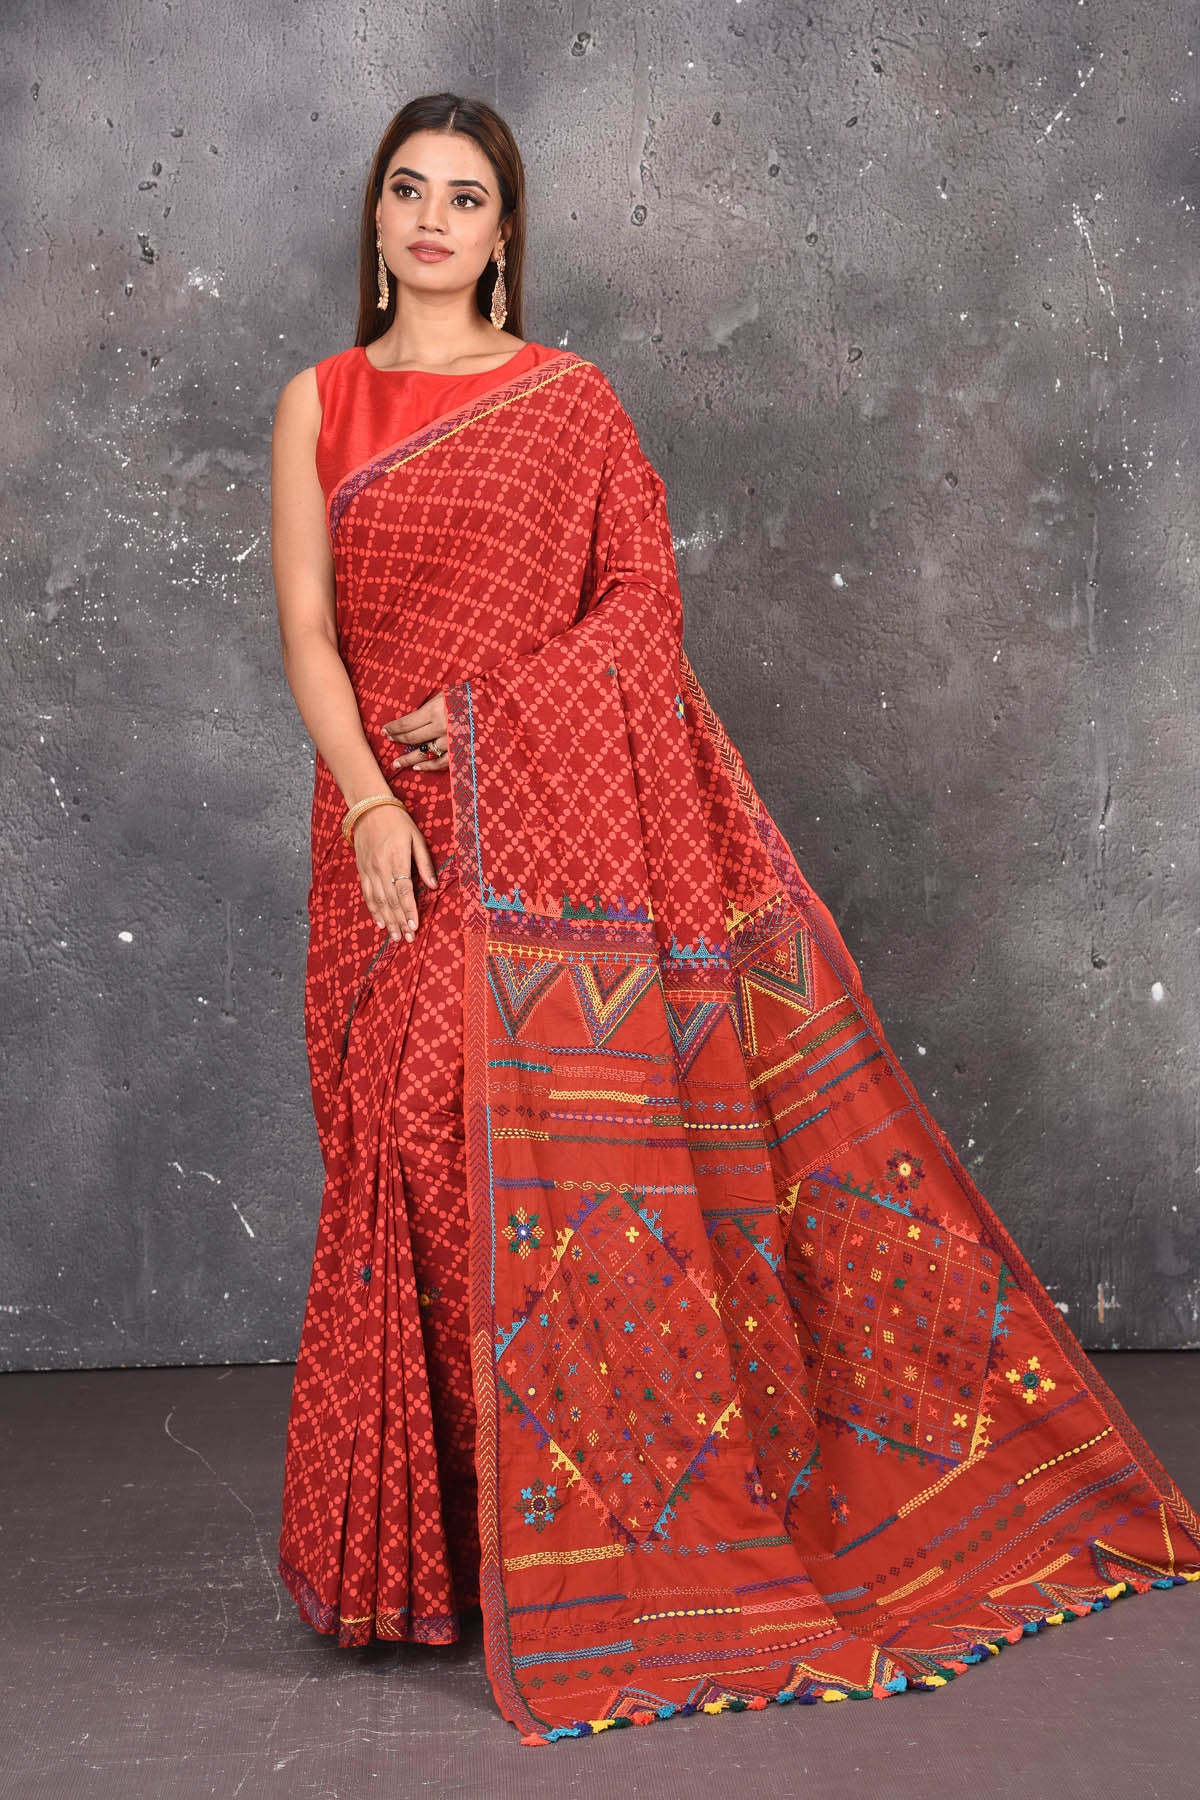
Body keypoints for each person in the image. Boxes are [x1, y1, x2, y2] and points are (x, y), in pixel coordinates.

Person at [270, 92, 1200, 1748]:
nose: (430, 219)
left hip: (542, 834)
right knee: (396, 1146)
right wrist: (369, 802)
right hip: (381, 833)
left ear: (503, 232)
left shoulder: (568, 402)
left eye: (465, 197)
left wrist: (486, 729)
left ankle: (567, 1534)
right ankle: (449, 1549)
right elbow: (308, 634)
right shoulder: (320, 402)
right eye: (407, 189)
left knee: (475, 1133)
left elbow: (643, 609)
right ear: (377, 216)